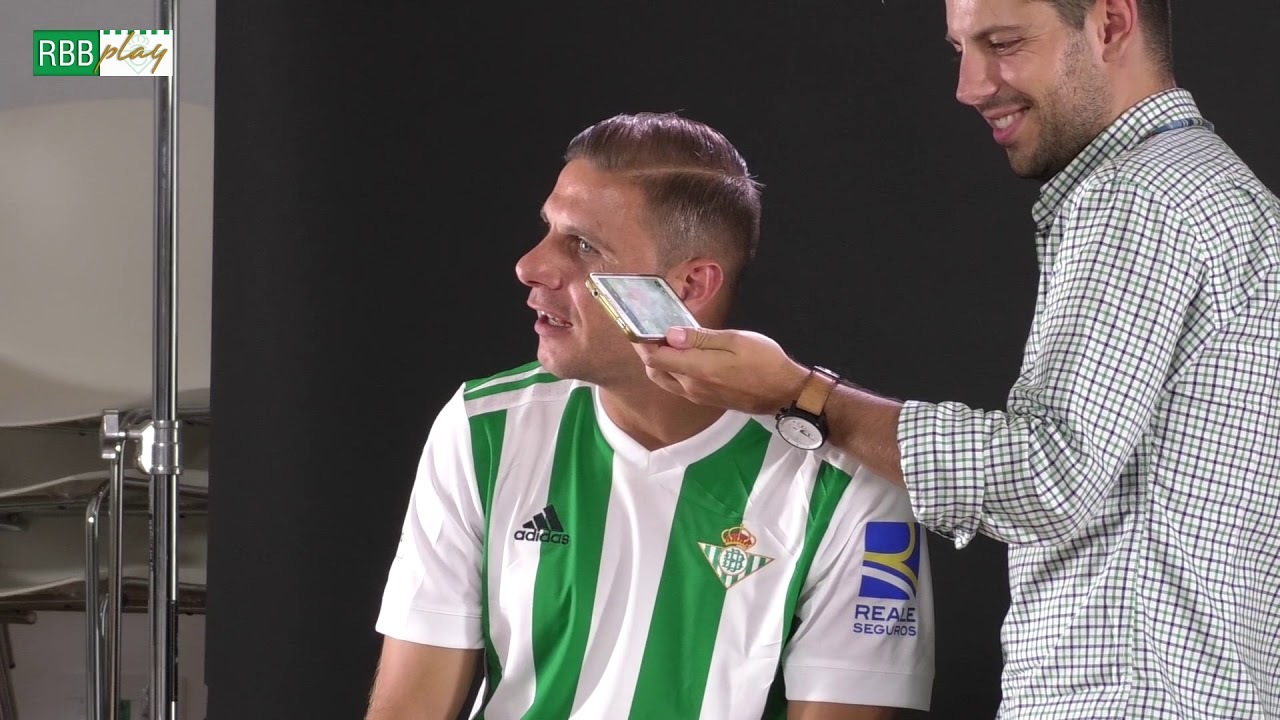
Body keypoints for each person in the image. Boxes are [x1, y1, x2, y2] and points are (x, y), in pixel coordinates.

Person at [635, 0, 1280, 717]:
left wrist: (801, 395)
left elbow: (1048, 474)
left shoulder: (1139, 196)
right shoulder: (1225, 195)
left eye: (1002, 43)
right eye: (959, 50)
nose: (969, 87)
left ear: (1111, 24)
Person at [364, 113, 936, 719]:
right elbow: (409, 707)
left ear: (690, 285)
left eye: (584, 246)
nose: (530, 265)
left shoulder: (854, 483)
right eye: (548, 229)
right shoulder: (484, 426)